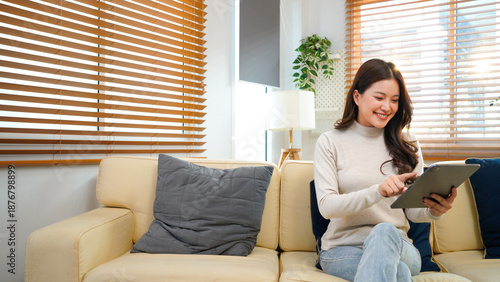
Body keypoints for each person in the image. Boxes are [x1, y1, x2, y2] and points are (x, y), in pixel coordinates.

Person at [313, 58, 456, 282]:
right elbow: (327, 207)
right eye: (379, 98)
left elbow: (413, 212)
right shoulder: (330, 142)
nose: (387, 107)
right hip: (343, 250)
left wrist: (434, 210)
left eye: (394, 100)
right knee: (398, 273)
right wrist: (377, 191)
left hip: (399, 246)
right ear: (357, 96)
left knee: (384, 231)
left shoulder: (407, 143)